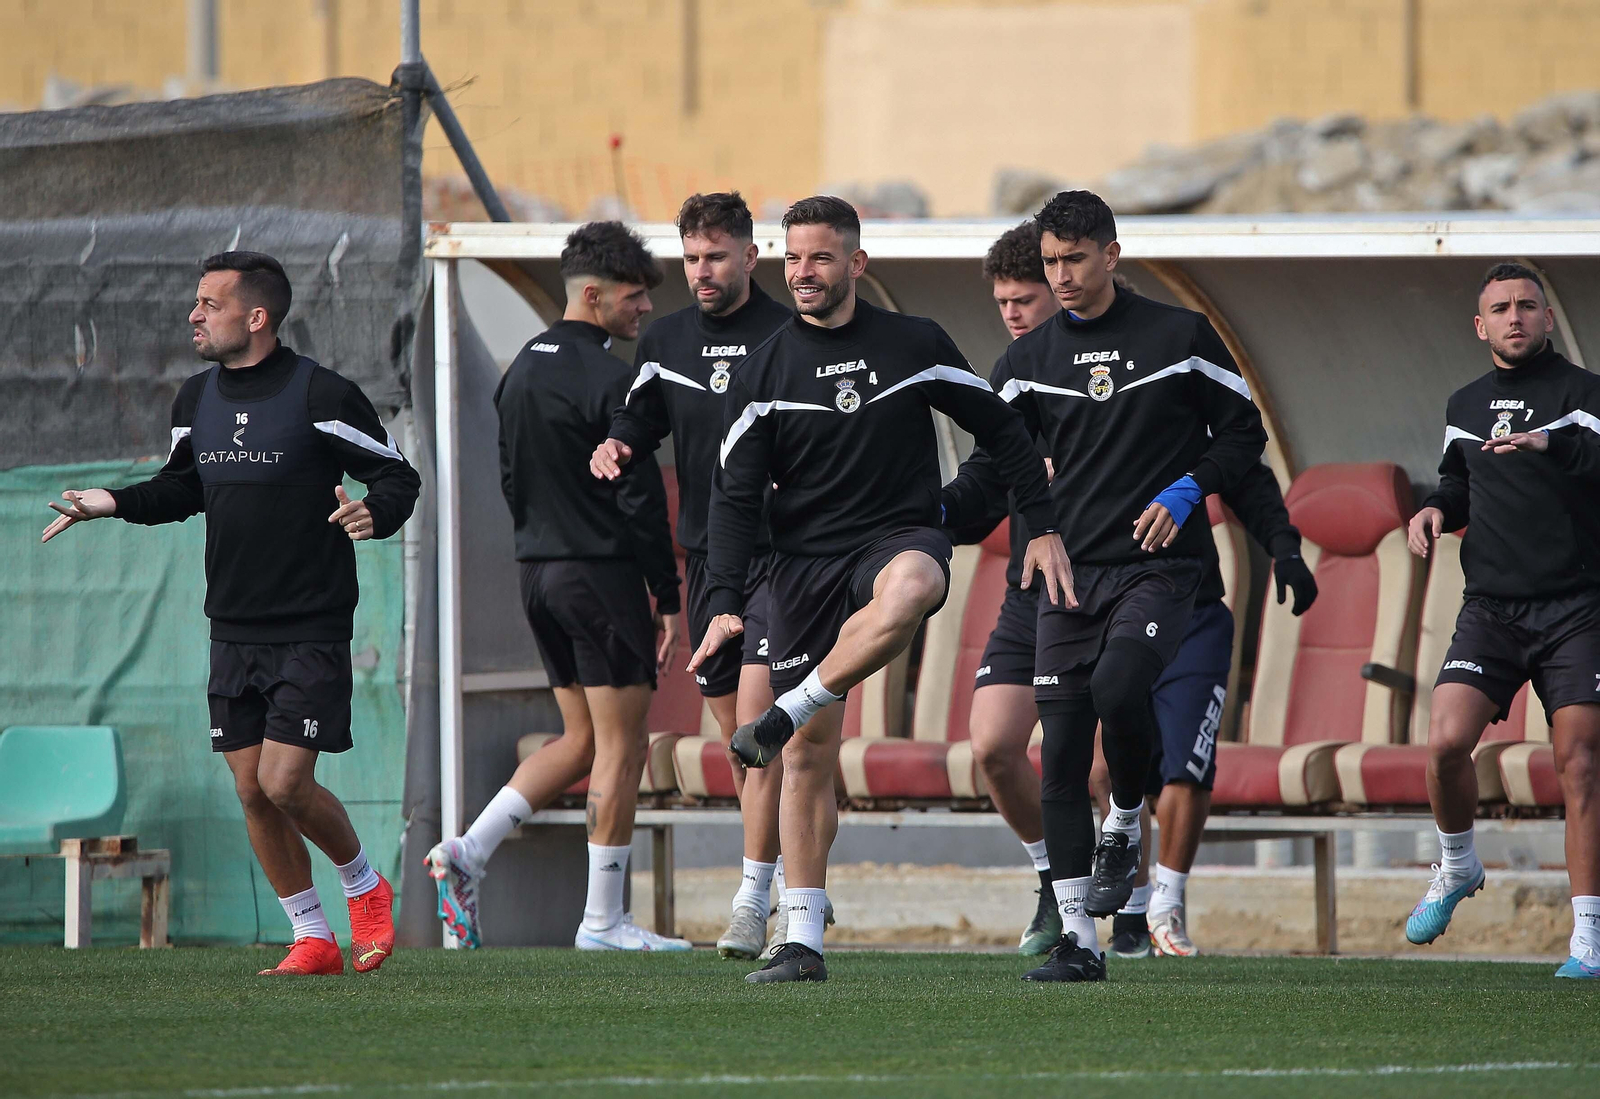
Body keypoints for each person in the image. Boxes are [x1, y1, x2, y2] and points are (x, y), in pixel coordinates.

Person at [691, 196, 1069, 983]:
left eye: (821, 258)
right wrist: (725, 601)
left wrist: (1038, 523)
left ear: (856, 264)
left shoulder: (913, 342)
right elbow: (731, 497)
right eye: (793, 258)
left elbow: (1003, 431)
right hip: (800, 567)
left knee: (917, 583)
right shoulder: (764, 367)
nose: (804, 273)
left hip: (896, 537)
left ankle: (789, 710)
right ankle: (800, 939)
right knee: (805, 763)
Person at [945, 223, 1317, 960]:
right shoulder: (1023, 367)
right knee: (1033, 752)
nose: (1052, 283)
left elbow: (1242, 447)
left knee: (1117, 712)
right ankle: (1073, 920)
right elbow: (987, 476)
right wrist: (913, 523)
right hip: (1057, 581)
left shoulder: (1177, 339)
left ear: (1110, 257)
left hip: (1162, 575)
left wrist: (1275, 541)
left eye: (1067, 263)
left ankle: (1137, 867)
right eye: (1044, 268)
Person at [42, 251, 419, 976]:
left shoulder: (323, 394)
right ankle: (311, 935)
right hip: (232, 627)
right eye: (197, 302)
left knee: (284, 782)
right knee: (250, 788)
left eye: (209, 304)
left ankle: (365, 884)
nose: (194, 315)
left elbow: (397, 473)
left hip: (310, 624)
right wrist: (110, 502)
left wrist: (377, 510)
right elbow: (182, 488)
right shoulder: (196, 400)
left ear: (257, 317)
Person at [425, 222, 690, 952]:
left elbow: (509, 478)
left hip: (537, 573)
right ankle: (603, 921)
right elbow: (638, 501)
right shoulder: (611, 381)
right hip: (598, 577)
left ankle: (466, 852)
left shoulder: (520, 372)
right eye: (635, 298)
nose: (644, 311)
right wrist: (665, 597)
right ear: (595, 295)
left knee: (579, 741)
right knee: (622, 743)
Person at [589, 192, 795, 959]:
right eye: (691, 258)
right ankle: (785, 882)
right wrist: (617, 447)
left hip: (785, 558)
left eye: (716, 256)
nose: (702, 271)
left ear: (750, 254)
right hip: (709, 557)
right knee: (747, 744)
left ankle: (754, 901)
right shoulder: (666, 340)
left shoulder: (788, 331)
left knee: (757, 718)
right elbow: (638, 420)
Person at [1405, 262, 1600, 980]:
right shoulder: (1465, 403)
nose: (1515, 317)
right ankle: (1457, 865)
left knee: (1579, 761)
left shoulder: (1584, 398)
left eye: (1527, 305)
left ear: (1548, 319)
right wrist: (1434, 508)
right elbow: (1460, 478)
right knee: (1445, 741)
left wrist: (1559, 444)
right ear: (1480, 326)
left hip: (1578, 607)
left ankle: (1588, 936)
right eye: (1500, 308)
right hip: (1490, 607)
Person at [1085, 461, 1314, 959]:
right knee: (1105, 770)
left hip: (1192, 614)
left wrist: (1284, 546)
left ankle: (1165, 909)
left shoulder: (1181, 395)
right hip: (1111, 614)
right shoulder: (1074, 404)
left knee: (1186, 768)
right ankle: (1133, 908)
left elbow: (1244, 470)